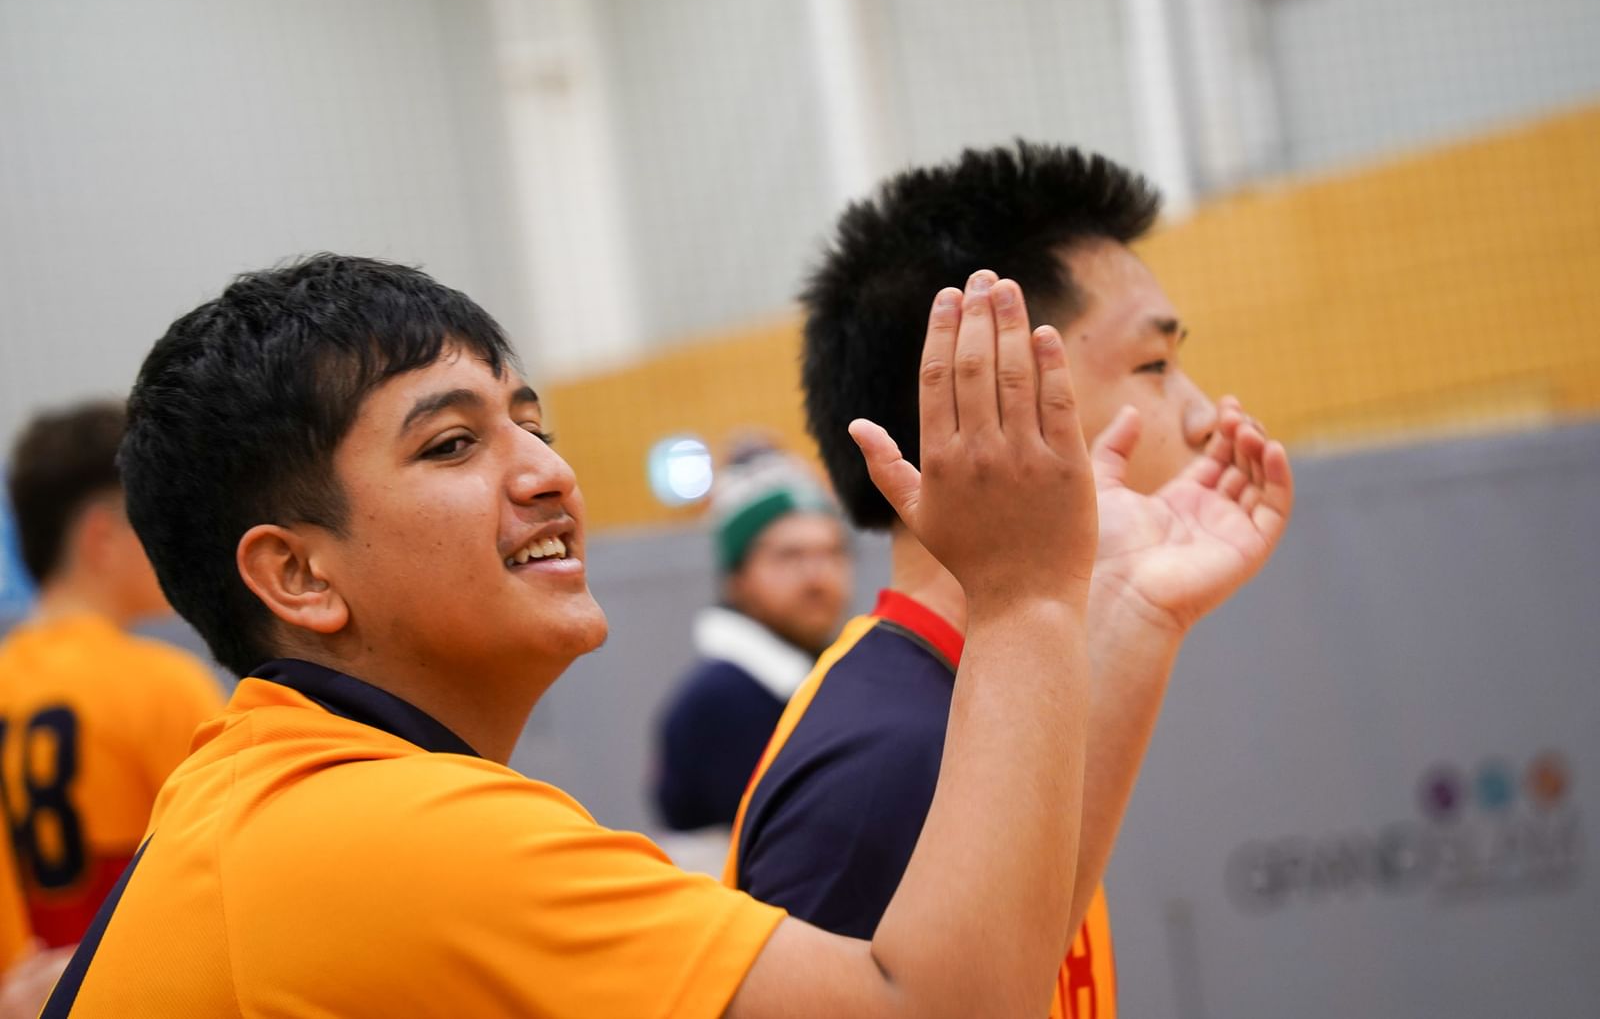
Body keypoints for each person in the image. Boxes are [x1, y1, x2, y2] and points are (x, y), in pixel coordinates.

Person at [38, 251, 1262, 1017]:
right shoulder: (374, 834)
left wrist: (1117, 616)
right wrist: (1031, 594)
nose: (547, 473)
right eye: (453, 444)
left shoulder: (296, 798)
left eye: (532, 424)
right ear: (298, 574)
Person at [726, 143, 1295, 1019]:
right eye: (1154, 365)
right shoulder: (886, 759)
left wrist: (1138, 614)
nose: (1203, 413)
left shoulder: (985, 713)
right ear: (988, 394)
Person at [0, 403, 222, 960]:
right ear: (101, 536)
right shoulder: (161, 683)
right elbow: (222, 881)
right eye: (156, 513)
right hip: (136, 981)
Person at [652, 441, 850, 841]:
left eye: (831, 553)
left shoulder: (819, 677)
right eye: (789, 556)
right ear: (737, 577)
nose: (817, 577)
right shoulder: (720, 700)